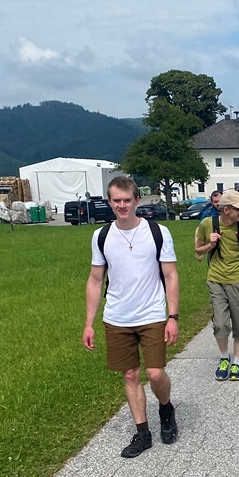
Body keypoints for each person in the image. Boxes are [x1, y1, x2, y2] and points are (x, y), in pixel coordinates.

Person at [83, 177, 180, 459]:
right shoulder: (101, 236)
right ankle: (143, 433)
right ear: (110, 202)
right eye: (116, 201)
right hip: (117, 316)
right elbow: (95, 279)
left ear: (136, 200)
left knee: (155, 372)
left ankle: (165, 407)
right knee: (130, 373)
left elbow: (170, 275)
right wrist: (89, 323)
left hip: (151, 313)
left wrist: (172, 316)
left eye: (127, 200)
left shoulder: (157, 232)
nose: (122, 205)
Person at [193, 189, 239, 381]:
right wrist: (210, 245)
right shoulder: (208, 224)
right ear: (227, 210)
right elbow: (198, 250)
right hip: (216, 279)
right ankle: (224, 358)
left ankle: (237, 362)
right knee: (221, 323)